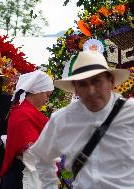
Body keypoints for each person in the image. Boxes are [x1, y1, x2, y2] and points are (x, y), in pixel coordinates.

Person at [25, 50, 133, 189]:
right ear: (75, 88)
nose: (91, 91)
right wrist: (50, 186)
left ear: (111, 82)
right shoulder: (62, 119)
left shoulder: (130, 112)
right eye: (83, 84)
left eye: (97, 81)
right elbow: (42, 156)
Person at [0, 70, 55, 189]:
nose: (47, 100)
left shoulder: (27, 112)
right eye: (47, 95)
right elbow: (29, 149)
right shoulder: (22, 113)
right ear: (37, 91)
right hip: (22, 175)